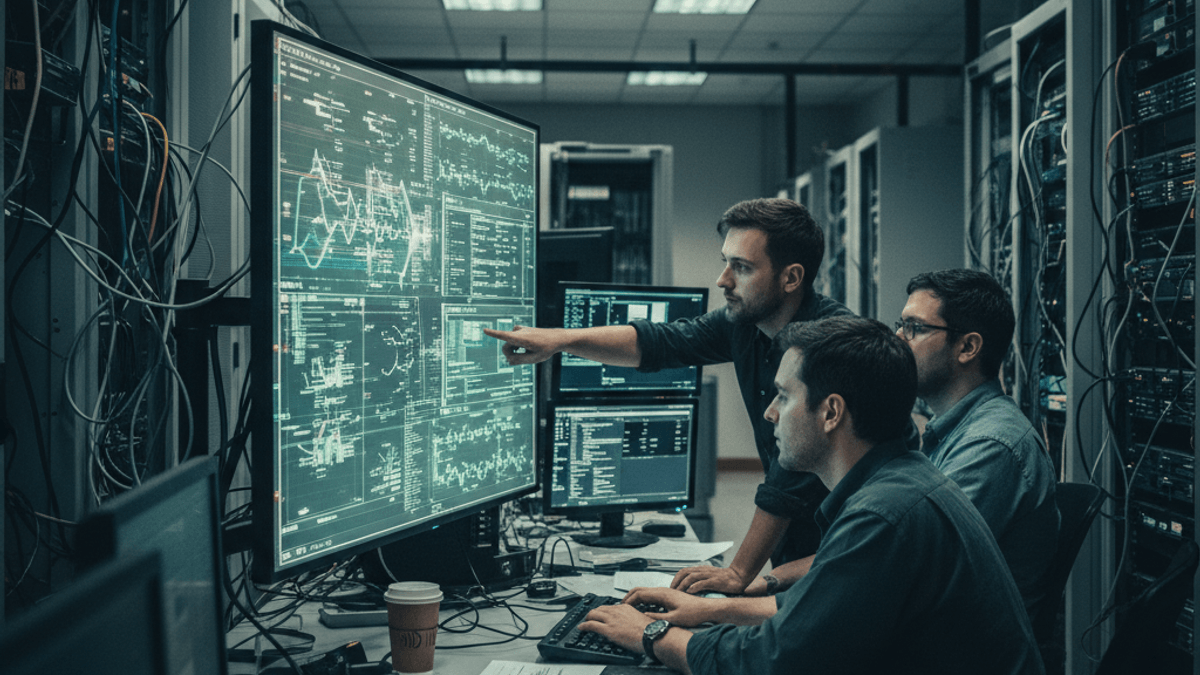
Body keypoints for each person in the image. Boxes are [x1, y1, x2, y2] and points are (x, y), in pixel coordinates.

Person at [577, 316, 1045, 675]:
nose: (769, 413)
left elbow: (768, 662)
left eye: (783, 395)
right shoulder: (899, 482)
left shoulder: (883, 514)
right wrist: (712, 611)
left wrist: (652, 635)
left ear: (831, 412)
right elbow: (821, 612)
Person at [484, 198, 850, 591]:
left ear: (791, 277)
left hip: (851, 547)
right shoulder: (746, 324)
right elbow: (660, 342)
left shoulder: (832, 348)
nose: (722, 279)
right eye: (725, 261)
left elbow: (787, 480)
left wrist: (739, 573)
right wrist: (561, 340)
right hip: (797, 548)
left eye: (741, 267)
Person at [736, 269, 1060, 616]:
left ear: (967, 347)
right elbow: (871, 553)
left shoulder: (990, 446)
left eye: (914, 328)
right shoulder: (952, 430)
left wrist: (729, 608)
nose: (899, 339)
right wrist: (776, 579)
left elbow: (884, 568)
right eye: (900, 325)